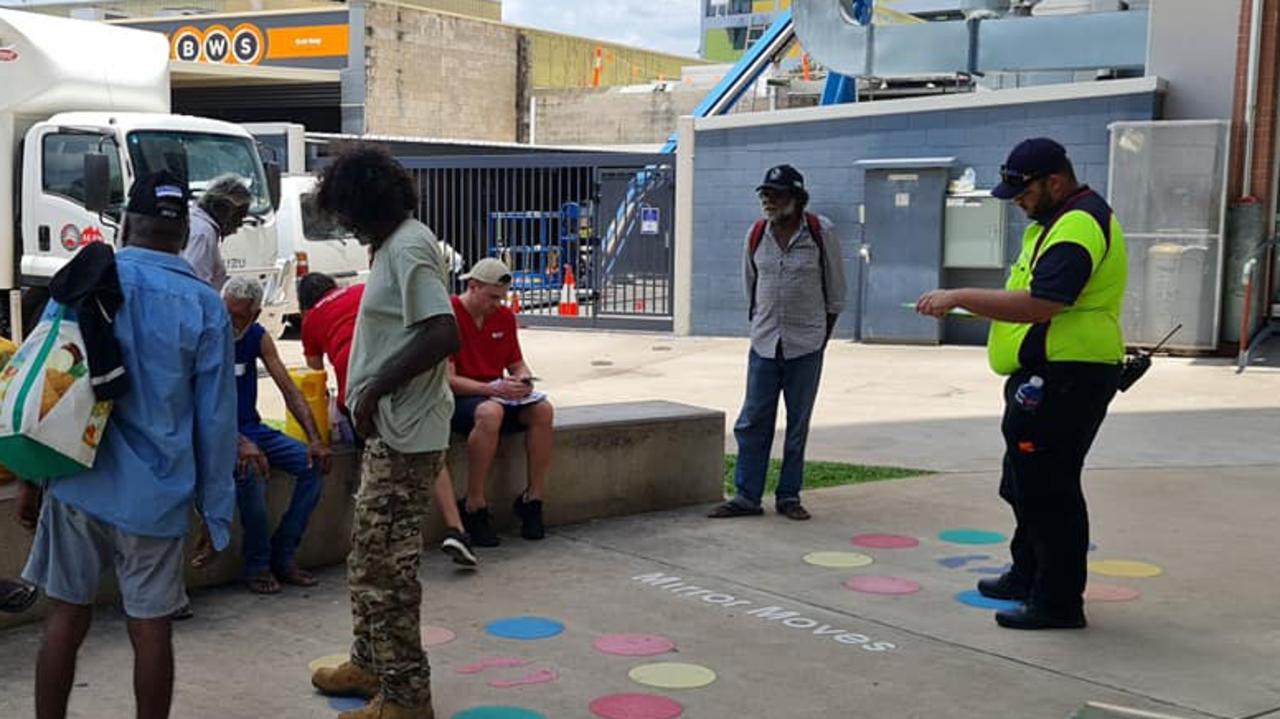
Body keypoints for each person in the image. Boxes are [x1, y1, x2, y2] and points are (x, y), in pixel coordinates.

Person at [22, 170, 237, 718]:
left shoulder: (86, 275)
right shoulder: (204, 304)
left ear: (126, 224)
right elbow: (215, 421)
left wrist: (31, 479)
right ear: (184, 229)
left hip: (76, 478)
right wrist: (216, 513)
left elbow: (42, 380)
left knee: (65, 620)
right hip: (156, 495)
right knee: (151, 628)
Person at [916, 138, 1127, 631]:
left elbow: (1042, 304)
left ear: (1055, 181)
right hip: (1046, 375)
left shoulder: (1077, 226)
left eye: (1022, 192)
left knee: (1050, 489)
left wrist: (959, 296)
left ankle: (1057, 601)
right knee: (1023, 483)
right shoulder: (1055, 221)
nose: (1016, 201)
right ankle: (1027, 573)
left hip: (1067, 376)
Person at [309, 144, 461, 719]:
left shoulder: (411, 249)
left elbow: (442, 333)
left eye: (346, 214)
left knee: (385, 570)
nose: (345, 226)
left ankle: (405, 696)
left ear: (363, 203)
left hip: (406, 435)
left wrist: (373, 389)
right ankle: (370, 663)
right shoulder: (395, 247)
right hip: (392, 433)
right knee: (366, 558)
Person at [299, 273, 476, 567]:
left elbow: (315, 376)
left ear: (306, 305)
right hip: (403, 375)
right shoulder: (362, 289)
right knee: (430, 451)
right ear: (335, 286)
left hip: (361, 394)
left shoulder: (311, 320)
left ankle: (377, 544)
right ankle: (457, 529)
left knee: (377, 461)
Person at [708, 164, 846, 521]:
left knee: (797, 424)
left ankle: (789, 496)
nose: (768, 200)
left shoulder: (820, 232)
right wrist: (759, 328)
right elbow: (750, 286)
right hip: (766, 343)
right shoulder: (756, 234)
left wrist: (821, 338)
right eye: (764, 194)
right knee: (753, 420)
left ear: (796, 198)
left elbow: (836, 292)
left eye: (776, 193)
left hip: (806, 344)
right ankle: (747, 497)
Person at [222, 275, 333, 593]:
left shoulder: (257, 336)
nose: (231, 323)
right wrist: (238, 442)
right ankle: (256, 563)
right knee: (250, 472)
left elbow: (289, 388)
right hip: (220, 433)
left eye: (240, 317)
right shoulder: (207, 335)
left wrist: (314, 438)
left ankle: (284, 554)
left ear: (255, 315)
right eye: (227, 313)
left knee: (313, 464)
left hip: (252, 428)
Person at [448, 258, 552, 547]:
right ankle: (474, 502)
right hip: (463, 398)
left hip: (496, 394)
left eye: (501, 298)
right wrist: (490, 387)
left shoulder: (504, 317)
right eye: (492, 297)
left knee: (542, 410)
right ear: (473, 286)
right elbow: (448, 379)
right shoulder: (449, 315)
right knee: (490, 412)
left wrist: (524, 380)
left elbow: (516, 363)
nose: (497, 304)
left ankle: (533, 498)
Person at [181, 173, 252, 289]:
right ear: (224, 209)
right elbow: (195, 282)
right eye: (238, 216)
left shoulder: (202, 227)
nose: (239, 224)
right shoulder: (203, 233)